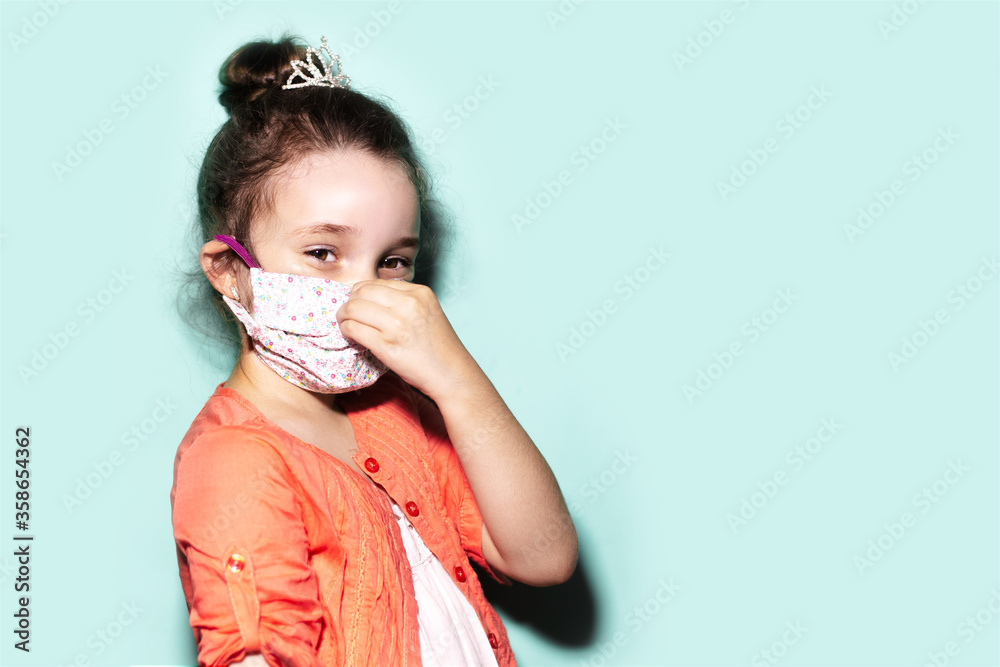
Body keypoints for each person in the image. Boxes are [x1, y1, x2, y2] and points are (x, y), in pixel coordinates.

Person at [169, 34, 578, 667]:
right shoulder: (234, 459)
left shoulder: (396, 412)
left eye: (393, 261)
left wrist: (457, 380)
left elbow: (544, 557)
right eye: (323, 253)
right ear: (230, 271)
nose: (363, 291)